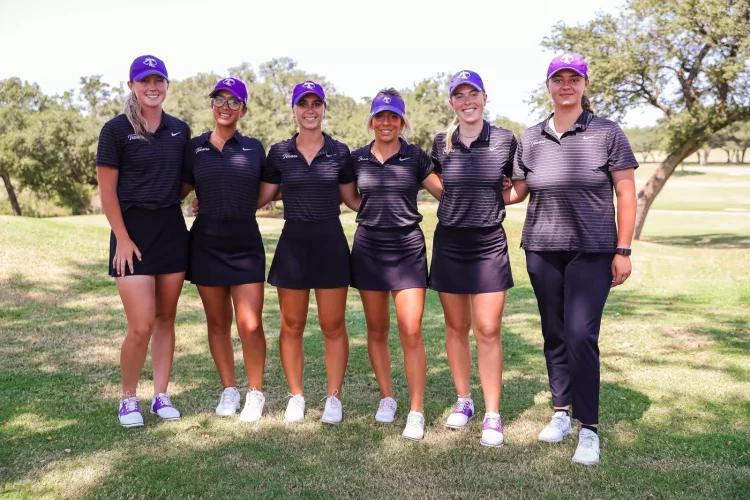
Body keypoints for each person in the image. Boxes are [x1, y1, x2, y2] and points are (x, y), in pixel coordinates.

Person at [508, 53, 638, 464]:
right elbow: (516, 191)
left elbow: (626, 192)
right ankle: (560, 412)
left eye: (573, 78)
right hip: (542, 247)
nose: (566, 85)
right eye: (558, 78)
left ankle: (589, 428)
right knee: (555, 332)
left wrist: (623, 249)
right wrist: (467, 189)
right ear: (548, 86)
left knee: (581, 335)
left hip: (594, 248)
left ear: (584, 85)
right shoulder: (530, 138)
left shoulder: (607, 132)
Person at [96, 55, 190, 428]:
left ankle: (161, 395)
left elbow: (185, 180)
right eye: (145, 80)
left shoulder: (180, 130)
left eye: (159, 80)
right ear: (132, 85)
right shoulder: (116, 130)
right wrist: (121, 237)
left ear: (166, 85)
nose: (153, 87)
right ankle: (128, 399)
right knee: (141, 324)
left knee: (166, 318)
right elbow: (107, 190)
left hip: (170, 228)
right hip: (130, 231)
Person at [262, 81, 360, 424]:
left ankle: (333, 397)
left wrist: (393, 203)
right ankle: (296, 395)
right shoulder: (279, 152)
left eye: (315, 103)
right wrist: (210, 200)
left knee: (333, 324)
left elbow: (352, 200)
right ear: (294, 110)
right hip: (293, 245)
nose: (309, 109)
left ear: (323, 108)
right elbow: (261, 195)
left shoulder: (340, 152)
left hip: (330, 242)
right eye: (302, 104)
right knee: (291, 325)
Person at [429, 70, 517, 447]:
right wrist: (450, 201)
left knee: (488, 329)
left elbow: (520, 184)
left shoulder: (504, 139)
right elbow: (433, 180)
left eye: (473, 94)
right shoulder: (440, 142)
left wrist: (503, 197)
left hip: (488, 245)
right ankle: (464, 400)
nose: (467, 101)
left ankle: (492, 414)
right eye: (459, 95)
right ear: (451, 102)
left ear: (484, 98)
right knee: (455, 327)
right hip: (449, 243)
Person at [182, 77, 278, 422]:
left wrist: (244, 204)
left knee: (250, 323)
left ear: (244, 109)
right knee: (218, 322)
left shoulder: (255, 148)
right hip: (206, 242)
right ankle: (229, 388)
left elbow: (271, 188)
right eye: (219, 100)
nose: (225, 106)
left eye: (233, 101)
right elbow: (180, 188)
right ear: (211, 106)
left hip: (245, 244)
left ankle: (255, 393)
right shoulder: (194, 148)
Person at [350, 89, 443, 441]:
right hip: (369, 248)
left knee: (411, 329)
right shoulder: (357, 158)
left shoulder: (415, 157)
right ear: (371, 120)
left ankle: (416, 410)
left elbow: (444, 192)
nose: (386, 122)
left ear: (402, 121)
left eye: (393, 117)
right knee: (376, 329)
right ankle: (387, 397)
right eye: (380, 116)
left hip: (407, 249)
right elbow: (349, 196)